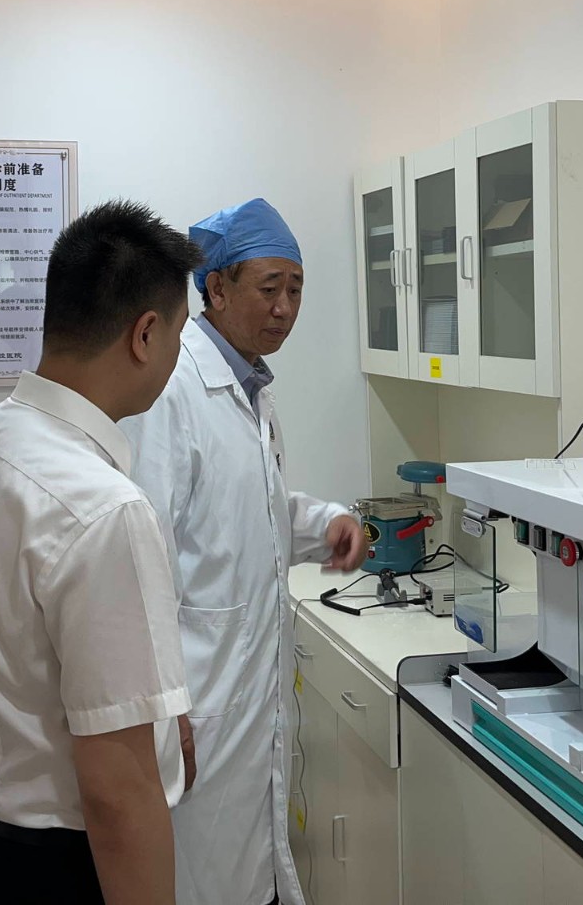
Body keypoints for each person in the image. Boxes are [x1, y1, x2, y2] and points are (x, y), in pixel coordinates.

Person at [0, 200, 202, 905]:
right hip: (62, 870)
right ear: (146, 334)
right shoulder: (106, 509)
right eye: (179, 334)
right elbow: (118, 792)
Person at [119, 197, 368, 905]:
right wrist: (160, 701)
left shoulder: (252, 388)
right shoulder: (174, 389)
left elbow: (248, 510)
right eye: (269, 288)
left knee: (245, 870)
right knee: (195, 874)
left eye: (296, 290)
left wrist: (326, 525)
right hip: (198, 699)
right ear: (217, 289)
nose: (285, 308)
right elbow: (141, 549)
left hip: (243, 695)